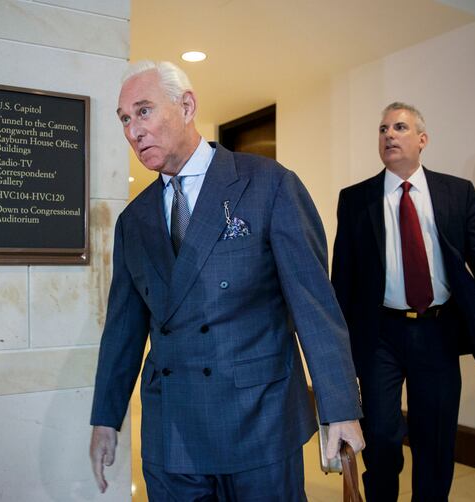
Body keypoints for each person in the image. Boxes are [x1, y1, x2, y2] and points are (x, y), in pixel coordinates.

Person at [88, 60, 364, 501]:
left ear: (187, 105)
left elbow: (314, 304)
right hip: (171, 431)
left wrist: (341, 409)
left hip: (259, 421)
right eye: (124, 119)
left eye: (143, 111)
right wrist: (105, 417)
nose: (133, 131)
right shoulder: (133, 221)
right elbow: (123, 327)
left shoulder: (269, 185)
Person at [331, 102, 475, 501]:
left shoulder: (457, 194)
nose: (389, 134)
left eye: (400, 127)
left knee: (435, 439)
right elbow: (344, 277)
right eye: (383, 128)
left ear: (422, 140)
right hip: (379, 336)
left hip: (437, 330)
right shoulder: (355, 199)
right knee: (382, 436)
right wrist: (337, 348)